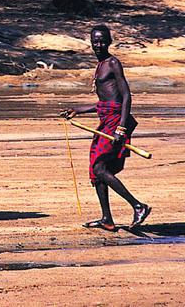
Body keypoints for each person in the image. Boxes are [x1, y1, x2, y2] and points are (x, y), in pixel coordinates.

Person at [60, 25, 150, 232]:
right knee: (97, 169)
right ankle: (107, 218)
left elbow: (125, 97)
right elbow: (104, 102)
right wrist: (77, 110)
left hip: (116, 122)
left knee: (99, 167)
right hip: (106, 120)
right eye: (95, 42)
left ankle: (138, 206)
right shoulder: (100, 65)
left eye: (102, 41)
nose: (98, 45)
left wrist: (121, 128)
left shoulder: (113, 63)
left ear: (109, 42)